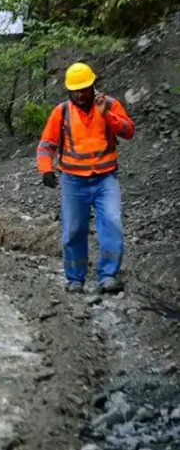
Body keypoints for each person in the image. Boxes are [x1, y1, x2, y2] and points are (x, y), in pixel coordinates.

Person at [37, 62, 135, 294]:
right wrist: (46, 169)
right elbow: (46, 145)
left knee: (112, 223)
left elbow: (128, 131)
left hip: (105, 179)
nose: (80, 94)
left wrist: (107, 115)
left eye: (84, 89)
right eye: (75, 90)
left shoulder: (109, 105)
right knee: (73, 230)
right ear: (69, 90)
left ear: (93, 85)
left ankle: (108, 276)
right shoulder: (61, 112)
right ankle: (75, 279)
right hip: (73, 180)